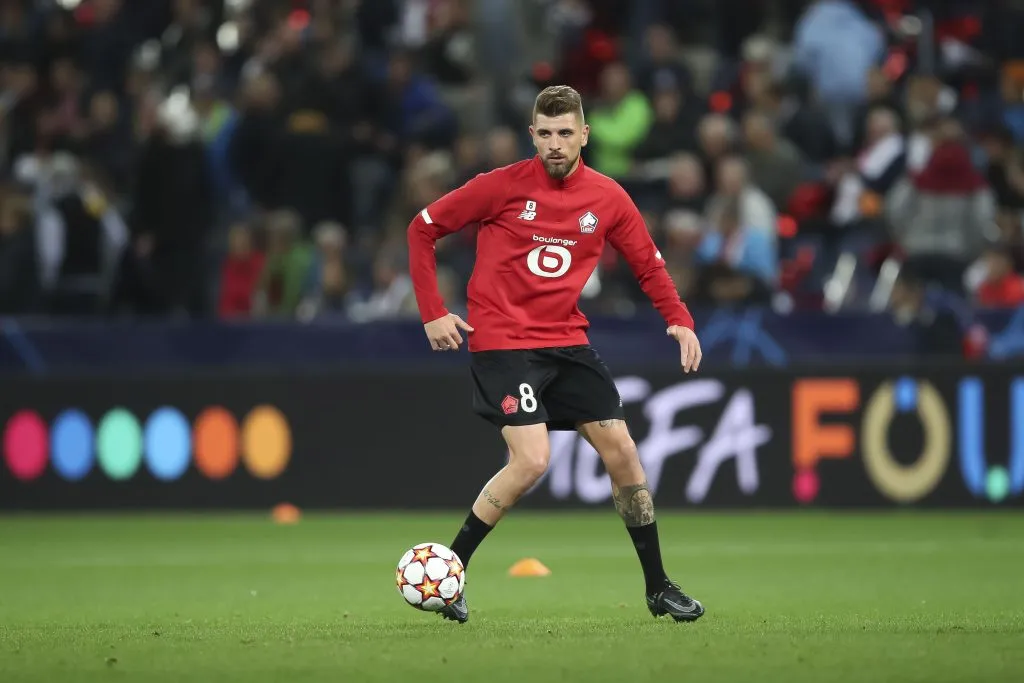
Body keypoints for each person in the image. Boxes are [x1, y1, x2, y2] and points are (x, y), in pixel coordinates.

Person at [407, 85, 704, 624]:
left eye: (565, 133)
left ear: (584, 135)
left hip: (566, 340)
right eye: (545, 134)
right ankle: (452, 575)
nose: (555, 144)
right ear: (532, 136)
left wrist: (679, 320)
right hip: (503, 341)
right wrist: (433, 309)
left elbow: (649, 266)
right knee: (533, 460)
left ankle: (658, 587)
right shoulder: (500, 187)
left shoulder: (609, 198)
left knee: (623, 452)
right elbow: (422, 229)